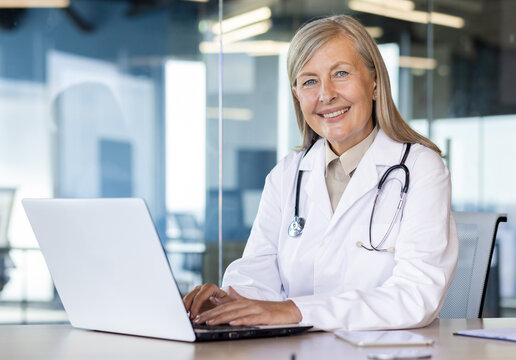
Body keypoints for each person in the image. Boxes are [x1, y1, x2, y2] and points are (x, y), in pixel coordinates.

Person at [183, 15, 458, 331]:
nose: (326, 94)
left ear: (375, 82)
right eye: (310, 81)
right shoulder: (288, 174)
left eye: (341, 73)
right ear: (297, 94)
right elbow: (257, 273)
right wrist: (228, 302)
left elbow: (415, 296)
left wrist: (296, 310)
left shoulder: (420, 168)